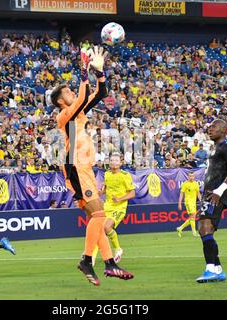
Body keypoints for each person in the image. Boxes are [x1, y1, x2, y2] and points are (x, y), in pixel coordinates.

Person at [51, 46, 133, 286]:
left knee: (96, 217)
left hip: (82, 166)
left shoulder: (76, 113)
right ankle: (87, 260)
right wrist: (84, 71)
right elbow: (83, 96)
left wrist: (99, 72)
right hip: (75, 165)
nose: (71, 93)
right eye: (67, 91)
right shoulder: (64, 115)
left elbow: (100, 92)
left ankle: (109, 264)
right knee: (100, 214)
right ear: (60, 100)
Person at [196, 119, 227, 283]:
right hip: (208, 194)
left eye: (213, 126)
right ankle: (218, 269)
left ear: (223, 130)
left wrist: (219, 192)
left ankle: (211, 269)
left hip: (216, 194)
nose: (210, 129)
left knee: (206, 228)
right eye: (210, 126)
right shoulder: (215, 150)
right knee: (204, 230)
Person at [93, 153, 136, 265]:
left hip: (119, 207)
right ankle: (91, 257)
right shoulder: (107, 174)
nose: (113, 162)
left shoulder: (125, 175)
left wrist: (120, 199)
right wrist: (101, 191)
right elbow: (105, 187)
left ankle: (117, 249)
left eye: (116, 160)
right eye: (111, 160)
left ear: (120, 163)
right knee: (100, 230)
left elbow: (132, 193)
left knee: (106, 227)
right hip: (107, 206)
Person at [176, 172, 201, 237]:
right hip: (188, 202)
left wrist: (201, 201)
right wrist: (179, 203)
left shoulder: (196, 184)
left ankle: (180, 228)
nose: (191, 177)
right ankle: (194, 232)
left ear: (194, 177)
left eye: (192, 176)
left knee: (192, 217)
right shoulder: (185, 184)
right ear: (188, 177)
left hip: (193, 202)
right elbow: (181, 194)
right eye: (190, 176)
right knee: (193, 215)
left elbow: (198, 193)